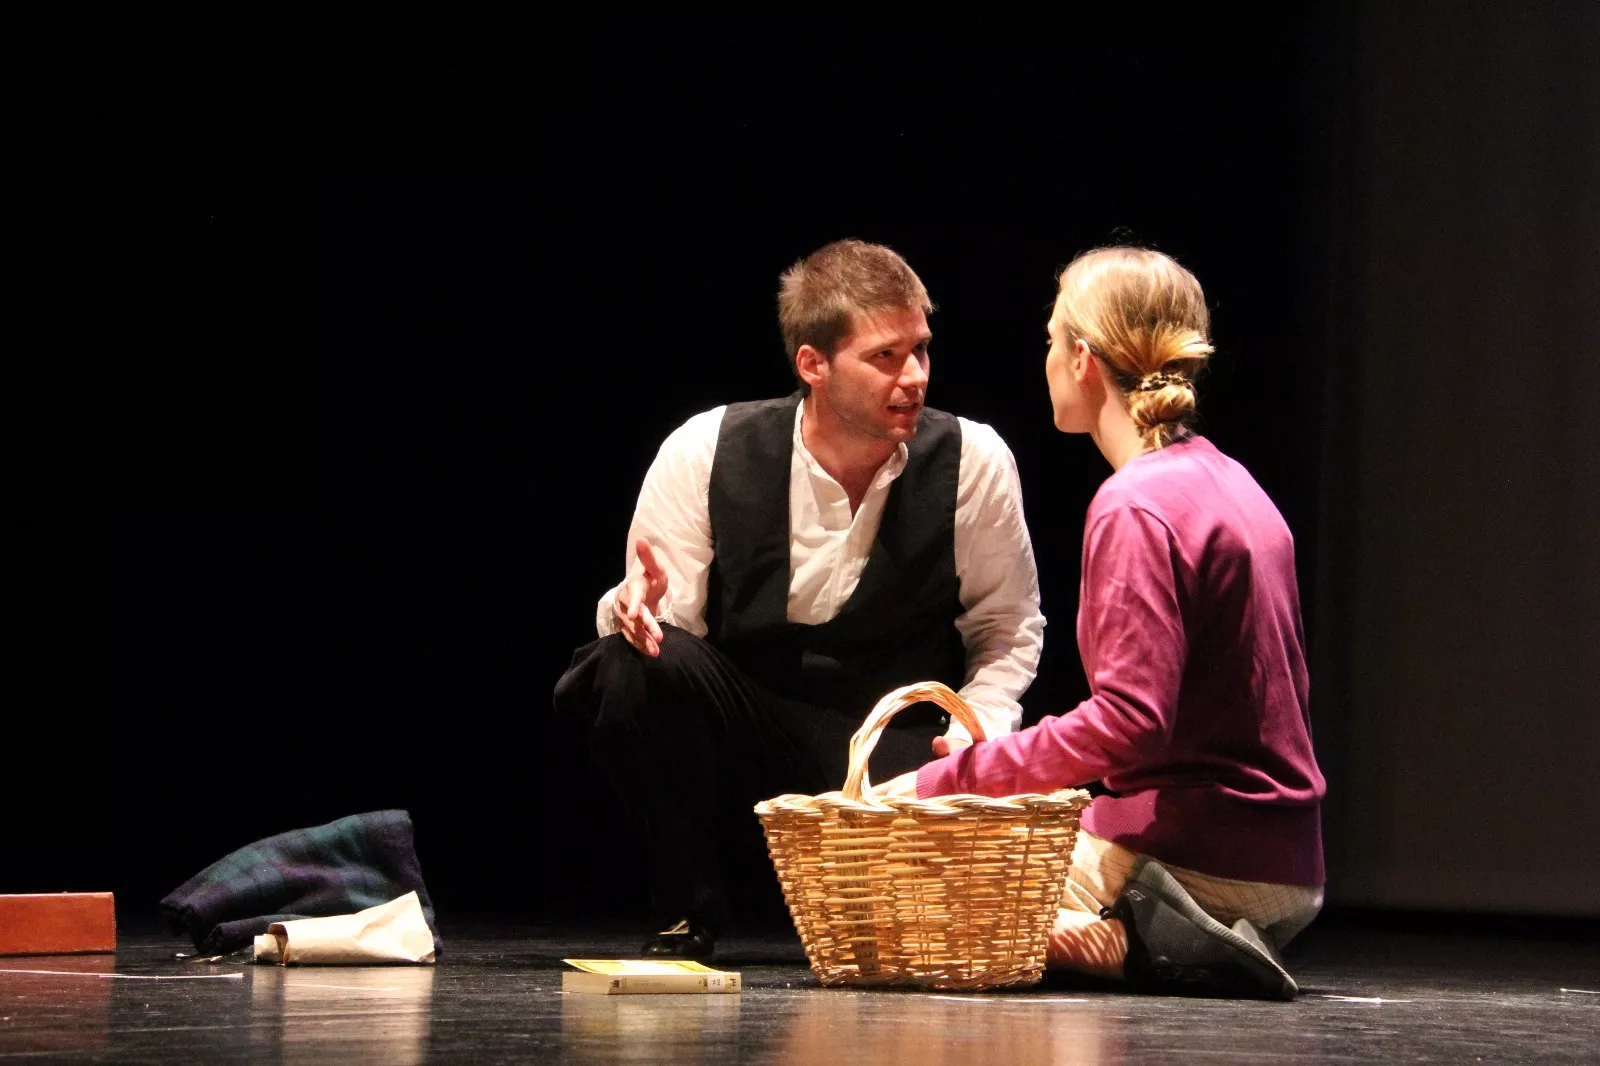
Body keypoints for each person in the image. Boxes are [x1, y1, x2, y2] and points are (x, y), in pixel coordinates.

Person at [553, 239, 1045, 960]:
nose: (913, 377)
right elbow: (669, 634)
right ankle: (688, 911)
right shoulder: (706, 448)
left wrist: (982, 730)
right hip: (749, 729)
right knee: (632, 663)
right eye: (884, 357)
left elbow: (1008, 629)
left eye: (921, 350)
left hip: (887, 745)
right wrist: (634, 614)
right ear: (813, 364)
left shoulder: (973, 460)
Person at [875, 246, 1326, 1000]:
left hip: (1203, 859)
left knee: (908, 892)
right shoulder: (1230, 481)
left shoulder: (1136, 504)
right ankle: (1156, 934)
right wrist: (1011, 757)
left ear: (1082, 358)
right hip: (1287, 863)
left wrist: (951, 779)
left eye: (1052, 340)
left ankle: (1154, 946)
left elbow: (1129, 723)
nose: (1047, 358)